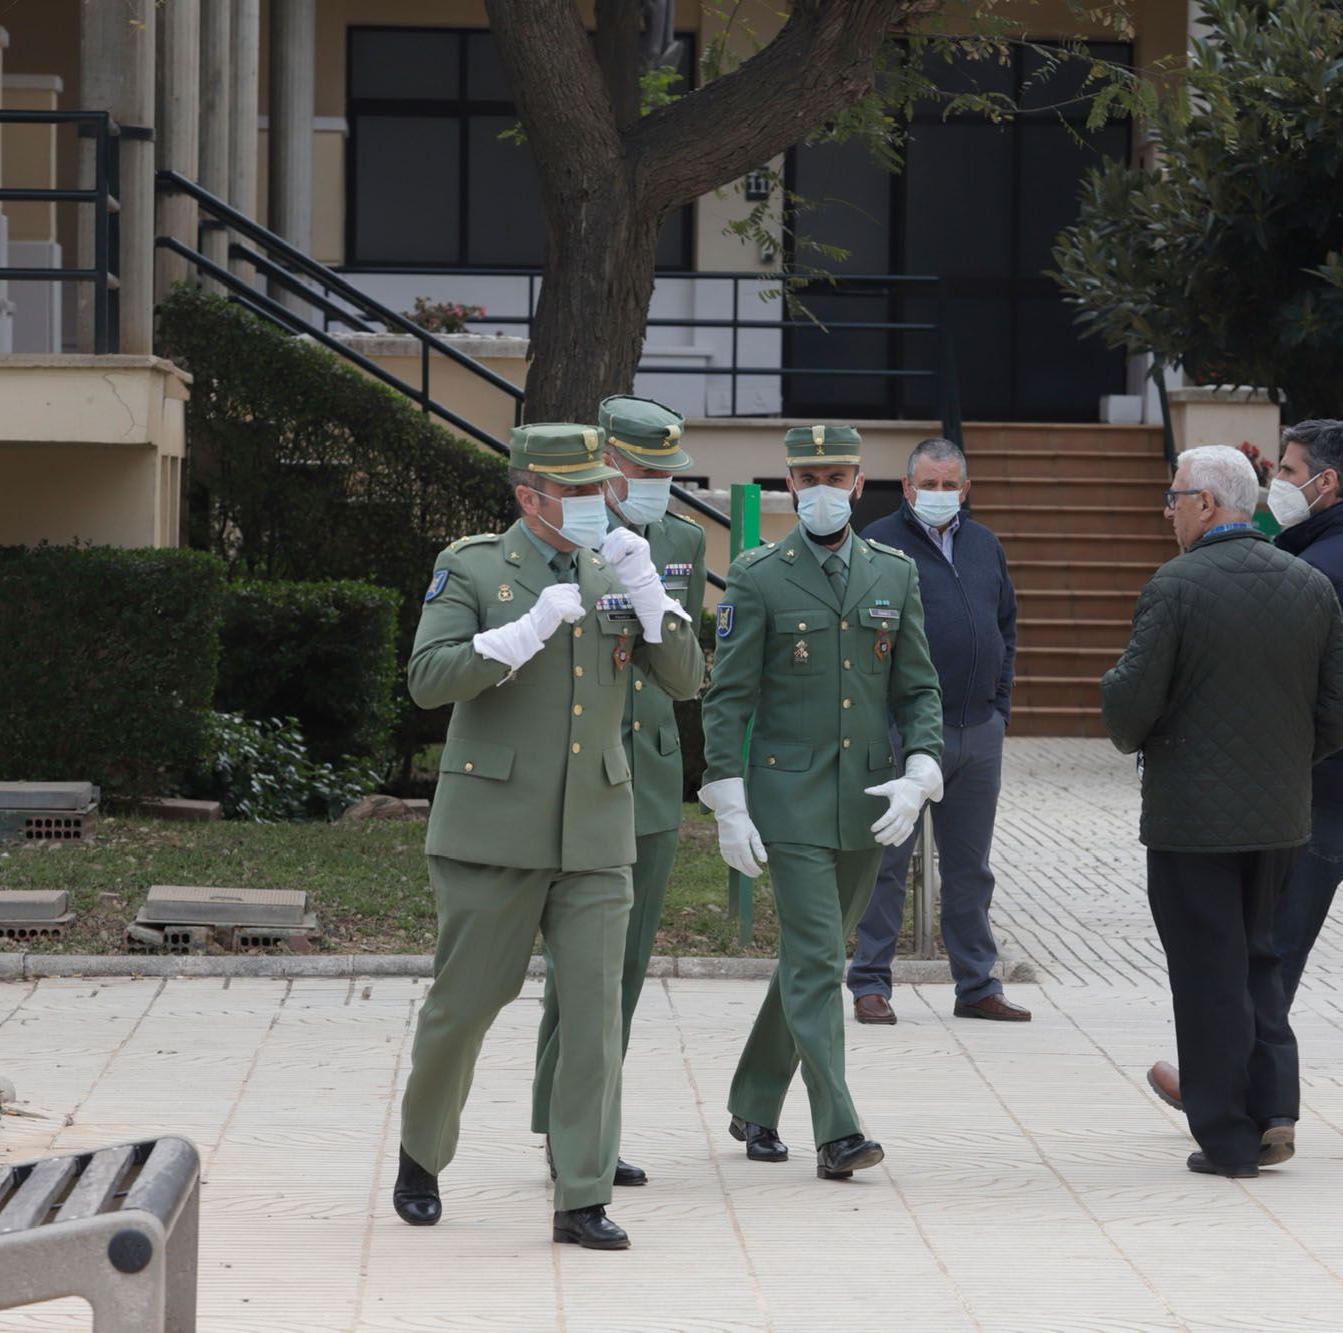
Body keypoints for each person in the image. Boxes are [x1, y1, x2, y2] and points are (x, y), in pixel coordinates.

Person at [392, 422, 704, 1250]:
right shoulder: (475, 566)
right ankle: (421, 1155)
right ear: (532, 495)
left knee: (596, 1020)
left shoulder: (615, 568)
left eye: (600, 485)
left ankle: (581, 1193)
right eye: (577, 489)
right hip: (493, 830)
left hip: (597, 831)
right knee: (465, 1007)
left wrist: (651, 598)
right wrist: (521, 632)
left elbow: (686, 679)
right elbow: (428, 678)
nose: (599, 500)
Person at [1150, 421, 1343, 1155]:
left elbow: (1311, 688)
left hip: (1324, 792)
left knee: (1264, 952)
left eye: (1288, 471)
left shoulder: (1317, 569)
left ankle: (1244, 1095)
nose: (1275, 486)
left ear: (1326, 483)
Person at [1100, 444, 1343, 1178]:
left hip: (1192, 824)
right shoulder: (1309, 584)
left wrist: (1113, 693)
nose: (1168, 508)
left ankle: (1226, 1134)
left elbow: (1130, 708)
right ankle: (1274, 1107)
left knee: (1206, 973)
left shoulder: (1176, 586)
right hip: (1280, 818)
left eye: (1174, 495)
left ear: (1208, 505)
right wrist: (1285, 764)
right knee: (1259, 959)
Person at [698, 423, 945, 1180]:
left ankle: (752, 1098)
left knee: (811, 958)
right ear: (790, 484)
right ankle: (838, 1128)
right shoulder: (758, 573)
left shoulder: (893, 573)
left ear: (859, 480)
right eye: (808, 477)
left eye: (835, 475)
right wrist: (728, 796)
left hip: (868, 799)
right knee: (814, 959)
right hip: (790, 798)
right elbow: (728, 694)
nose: (822, 490)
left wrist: (923, 767)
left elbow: (917, 684)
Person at [532, 395, 709, 1185]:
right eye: (643, 469)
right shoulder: (567, 532)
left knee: (627, 965)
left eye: (667, 473)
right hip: (580, 766)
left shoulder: (683, 540)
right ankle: (566, 1125)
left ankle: (591, 1122)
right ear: (608, 461)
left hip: (655, 767)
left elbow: (681, 658)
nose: (656, 486)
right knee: (579, 969)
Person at [848, 438, 1027, 1024]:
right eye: (929, 484)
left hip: (977, 732)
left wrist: (999, 708)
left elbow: (1006, 625)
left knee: (970, 868)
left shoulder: (984, 545)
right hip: (901, 733)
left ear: (966, 489)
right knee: (887, 861)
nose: (940, 494)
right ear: (906, 488)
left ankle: (977, 984)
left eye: (951, 485)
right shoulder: (877, 543)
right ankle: (871, 982)